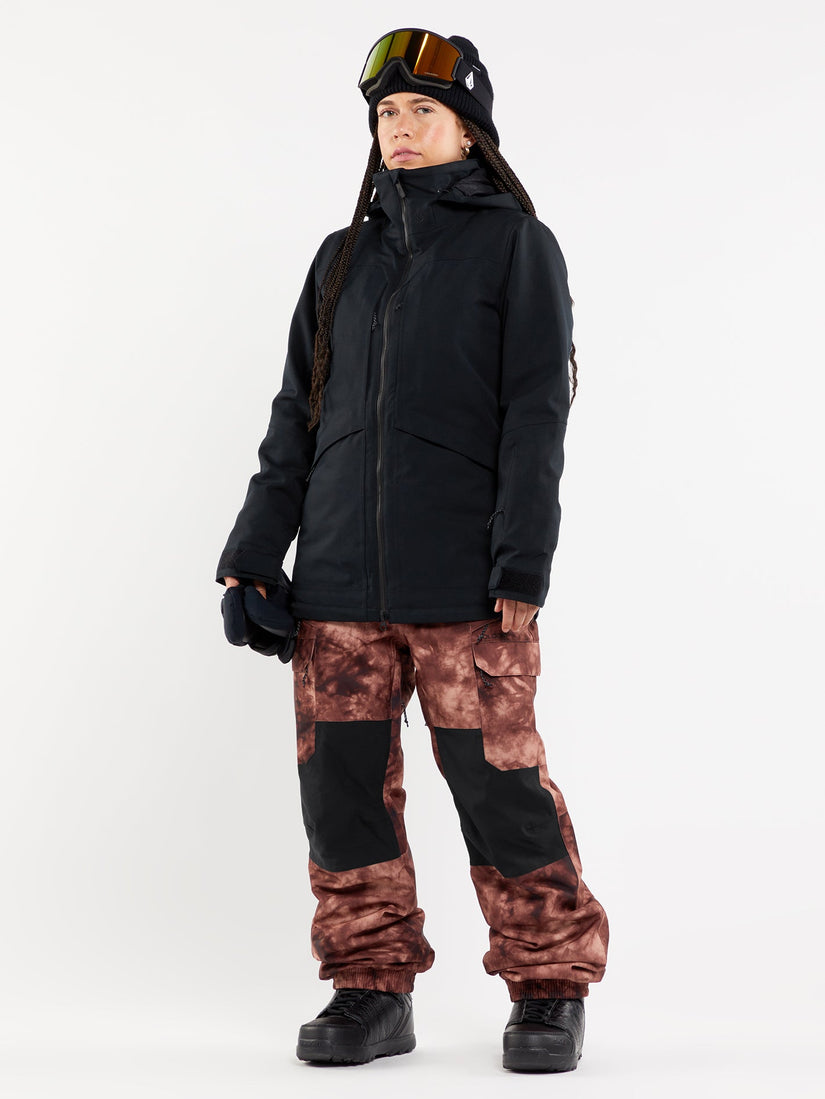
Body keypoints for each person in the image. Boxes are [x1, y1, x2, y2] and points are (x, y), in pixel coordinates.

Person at [215, 28, 609, 1073]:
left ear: (470, 130)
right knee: (341, 796)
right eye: (386, 113)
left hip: (466, 590)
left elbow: (537, 414)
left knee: (499, 788)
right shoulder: (339, 259)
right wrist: (254, 553)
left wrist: (521, 565)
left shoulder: (517, 248)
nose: (399, 127)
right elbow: (296, 418)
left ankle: (550, 986)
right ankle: (369, 986)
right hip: (336, 589)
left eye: (422, 111)